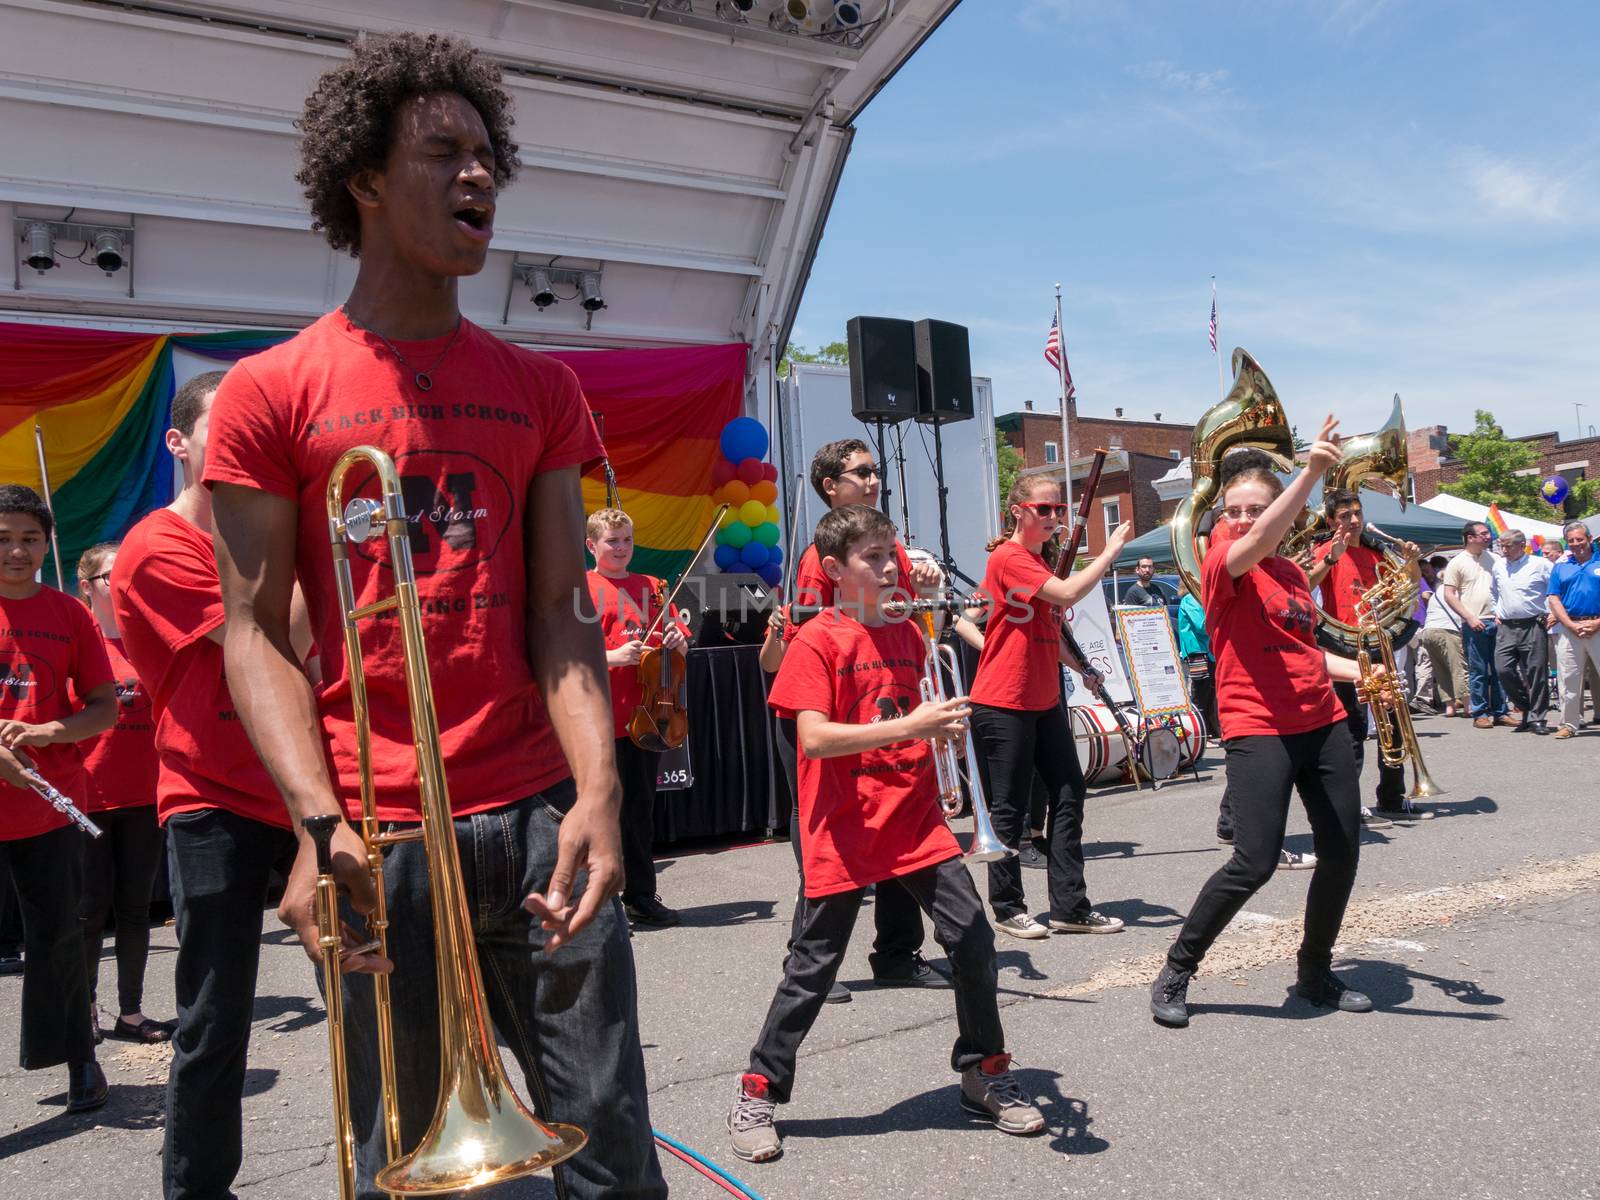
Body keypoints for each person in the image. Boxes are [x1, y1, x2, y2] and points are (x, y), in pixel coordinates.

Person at [203, 33, 666, 1198]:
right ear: (362, 178)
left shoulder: (543, 388)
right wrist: (316, 828)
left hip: (531, 815)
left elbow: (561, 615)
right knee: (403, 1169)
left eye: (486, 157)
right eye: (442, 153)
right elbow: (250, 631)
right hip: (378, 836)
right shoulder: (270, 389)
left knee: (611, 1162)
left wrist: (599, 799)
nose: (478, 179)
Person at [727, 505, 1043, 1164]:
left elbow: (914, 710)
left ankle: (983, 1071)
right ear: (838, 571)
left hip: (912, 815)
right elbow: (813, 738)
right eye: (874, 556)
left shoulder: (907, 630)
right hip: (842, 825)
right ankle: (758, 1088)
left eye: (891, 552)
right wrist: (913, 727)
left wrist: (940, 729)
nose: (890, 564)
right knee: (811, 970)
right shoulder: (817, 640)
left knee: (975, 940)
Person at [111, 370, 311, 1199]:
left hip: (302, 786)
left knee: (376, 985)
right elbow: (275, 636)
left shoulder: (271, 541)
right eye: (227, 430)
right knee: (215, 1019)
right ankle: (197, 1190)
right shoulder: (157, 546)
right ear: (180, 442)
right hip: (211, 798)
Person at [1151, 416, 1373, 1028]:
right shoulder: (1222, 559)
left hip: (1321, 719)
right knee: (1254, 860)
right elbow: (1252, 544)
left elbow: (1305, 649)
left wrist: (1360, 672)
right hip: (1257, 725)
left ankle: (1314, 970)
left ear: (1277, 513)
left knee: (1342, 852)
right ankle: (1179, 966)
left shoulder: (1293, 574)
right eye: (1234, 509)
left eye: (1255, 509)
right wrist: (1312, 472)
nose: (1243, 519)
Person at [760, 437, 947, 995]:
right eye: (859, 473)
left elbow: (897, 617)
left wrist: (927, 592)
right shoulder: (823, 556)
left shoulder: (891, 546)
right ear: (830, 487)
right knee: (824, 824)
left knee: (899, 808)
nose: (872, 480)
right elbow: (813, 631)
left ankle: (896, 950)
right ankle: (808, 956)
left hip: (886, 692)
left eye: (875, 472)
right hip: (826, 700)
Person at [969, 473, 1131, 939]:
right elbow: (1066, 595)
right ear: (1018, 511)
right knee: (1010, 807)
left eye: (1058, 509)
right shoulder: (1010, 557)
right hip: (1003, 700)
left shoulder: (1037, 564)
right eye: (1045, 509)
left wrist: (1079, 668)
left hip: (1043, 698)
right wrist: (1109, 551)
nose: (1054, 516)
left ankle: (1069, 906)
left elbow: (1049, 624)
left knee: (1067, 794)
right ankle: (1007, 906)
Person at [0, 485, 118, 1112]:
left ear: (47, 543)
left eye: (29, 538)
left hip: (50, 805)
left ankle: (80, 1060)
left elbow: (103, 707)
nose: (16, 551)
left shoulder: (70, 616)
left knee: (61, 941)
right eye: (3, 538)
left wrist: (51, 731)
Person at [74, 542, 171, 1046]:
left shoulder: (146, 640)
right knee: (88, 911)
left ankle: (129, 1013)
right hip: (85, 798)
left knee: (135, 909)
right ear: (87, 585)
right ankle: (84, 1007)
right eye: (111, 575)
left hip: (143, 796)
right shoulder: (78, 641)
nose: (122, 581)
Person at [585, 507, 688, 928]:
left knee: (639, 811)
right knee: (599, 812)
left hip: (646, 715)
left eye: (627, 540)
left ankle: (641, 896)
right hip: (598, 719)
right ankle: (598, 900)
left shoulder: (652, 586)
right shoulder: (582, 588)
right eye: (613, 541)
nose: (621, 548)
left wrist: (678, 640)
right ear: (592, 545)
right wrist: (610, 656)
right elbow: (564, 654)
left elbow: (678, 647)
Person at [1305, 489, 1426, 822]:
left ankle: (1392, 797)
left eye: (1357, 513)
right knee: (1352, 730)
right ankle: (1348, 803)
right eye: (1345, 516)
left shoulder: (1378, 552)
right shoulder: (1325, 550)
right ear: (1331, 521)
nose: (1354, 521)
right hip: (1345, 649)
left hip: (1380, 643)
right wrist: (1332, 556)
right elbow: (1303, 585)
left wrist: (1412, 562)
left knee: (1394, 723)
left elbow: (1409, 586)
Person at [1442, 521, 1511, 729]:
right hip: (1475, 623)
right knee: (1478, 670)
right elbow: (1449, 594)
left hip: (1496, 620)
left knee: (1500, 669)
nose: (1488, 536)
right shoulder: (1457, 562)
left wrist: (1502, 613)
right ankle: (1480, 713)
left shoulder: (1496, 559)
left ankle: (1500, 712)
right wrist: (1469, 617)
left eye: (1487, 533)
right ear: (1470, 537)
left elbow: (1505, 588)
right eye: (1483, 534)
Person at [1488, 530, 1552, 733]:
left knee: (1536, 672)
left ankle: (1537, 718)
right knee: (1503, 669)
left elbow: (1556, 590)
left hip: (1533, 623)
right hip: (1506, 625)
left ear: (1522, 545)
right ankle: (1526, 707)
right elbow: (1493, 591)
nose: (1503, 550)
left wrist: (1552, 613)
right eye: (1501, 546)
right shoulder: (1499, 565)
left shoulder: (1540, 564)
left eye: (1507, 546)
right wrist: (1496, 611)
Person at [1547, 521, 1600, 740]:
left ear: (1589, 539)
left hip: (1597, 625)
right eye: (1571, 541)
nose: (1576, 544)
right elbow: (1553, 598)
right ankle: (1569, 723)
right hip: (1570, 629)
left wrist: (1598, 623)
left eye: (1580, 539)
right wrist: (1569, 624)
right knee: (1568, 678)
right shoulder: (1561, 567)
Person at [1416, 554, 1466, 717]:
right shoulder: (1454, 592)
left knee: (1440, 670)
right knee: (1458, 668)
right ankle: (1467, 705)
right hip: (1447, 630)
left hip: (1429, 631)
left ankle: (1449, 707)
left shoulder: (1437, 591)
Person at [1177, 577, 1218, 739]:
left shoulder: (1197, 599)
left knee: (1210, 691)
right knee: (1200, 692)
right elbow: (1202, 625)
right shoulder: (1189, 599)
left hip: (1207, 651)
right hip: (1197, 651)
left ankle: (1210, 729)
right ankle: (1199, 731)